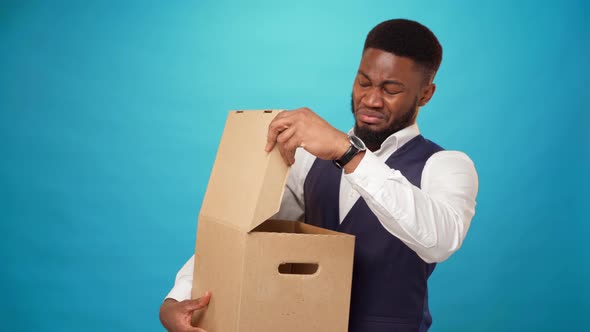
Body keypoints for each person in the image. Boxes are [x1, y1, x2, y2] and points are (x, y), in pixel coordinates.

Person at [159, 18, 479, 332]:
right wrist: (179, 296)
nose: (371, 99)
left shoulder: (446, 164)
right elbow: (246, 230)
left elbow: (440, 240)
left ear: (426, 94)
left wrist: (348, 153)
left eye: (391, 89)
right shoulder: (308, 161)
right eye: (363, 82)